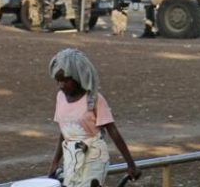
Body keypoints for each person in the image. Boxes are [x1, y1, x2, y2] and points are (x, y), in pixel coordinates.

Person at [47, 49, 140, 186]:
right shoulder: (60, 98)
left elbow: (113, 131)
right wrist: (54, 163)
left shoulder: (94, 99)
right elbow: (65, 132)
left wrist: (130, 164)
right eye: (58, 81)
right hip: (71, 157)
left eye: (66, 80)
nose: (61, 85)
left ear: (78, 76)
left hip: (94, 156)